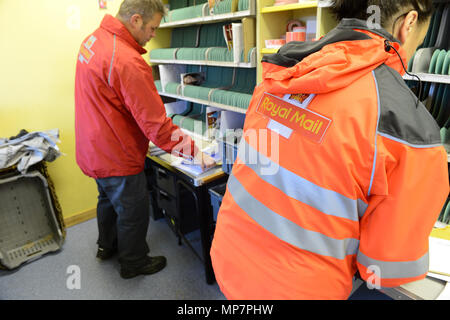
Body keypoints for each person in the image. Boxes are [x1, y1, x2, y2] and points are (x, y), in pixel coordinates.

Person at [210, 0, 449, 299]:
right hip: (298, 291)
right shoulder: (407, 127)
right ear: (409, 23)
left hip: (230, 256)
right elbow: (386, 267)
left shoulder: (280, 72)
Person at [74, 0, 215, 279]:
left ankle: (107, 246)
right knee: (132, 210)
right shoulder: (127, 60)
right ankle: (134, 262)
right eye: (152, 28)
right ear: (136, 19)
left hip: (91, 146)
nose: (153, 34)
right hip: (116, 153)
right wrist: (195, 152)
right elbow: (157, 125)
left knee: (107, 200)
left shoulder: (94, 39)